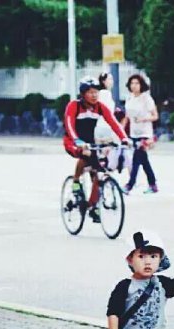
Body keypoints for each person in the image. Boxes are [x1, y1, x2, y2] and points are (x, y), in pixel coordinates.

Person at [63, 76, 131, 223]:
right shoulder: (74, 106)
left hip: (90, 142)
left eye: (96, 92)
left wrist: (124, 138)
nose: (94, 95)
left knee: (98, 172)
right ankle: (76, 181)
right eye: (90, 92)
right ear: (83, 94)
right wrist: (77, 141)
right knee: (85, 154)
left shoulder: (99, 107)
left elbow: (113, 122)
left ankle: (92, 206)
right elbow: (69, 125)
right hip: (72, 140)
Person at [121, 74, 159, 195]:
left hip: (145, 133)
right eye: (132, 83)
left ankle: (130, 185)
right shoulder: (129, 98)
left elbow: (155, 116)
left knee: (136, 159)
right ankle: (153, 184)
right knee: (143, 160)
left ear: (141, 85)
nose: (134, 86)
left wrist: (143, 119)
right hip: (133, 133)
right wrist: (120, 130)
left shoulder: (146, 98)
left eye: (137, 83)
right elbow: (126, 117)